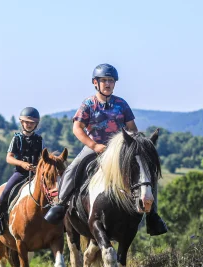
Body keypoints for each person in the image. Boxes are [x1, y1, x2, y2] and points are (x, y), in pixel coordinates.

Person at [44, 63, 138, 224]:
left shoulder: (122, 104)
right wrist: (94, 146)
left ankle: (152, 214)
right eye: (104, 80)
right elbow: (77, 128)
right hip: (94, 148)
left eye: (111, 80)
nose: (108, 84)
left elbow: (132, 129)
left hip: (119, 150)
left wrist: (133, 146)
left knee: (145, 171)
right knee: (71, 170)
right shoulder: (88, 104)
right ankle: (60, 204)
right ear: (96, 83)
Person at [0, 107, 44, 235]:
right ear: (21, 122)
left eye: (32, 122)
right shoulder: (17, 138)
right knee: (5, 193)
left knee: (51, 191)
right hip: (20, 173)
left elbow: (42, 157)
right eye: (26, 122)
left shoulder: (39, 140)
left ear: (36, 124)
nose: (29, 124)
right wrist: (22, 164)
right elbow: (9, 158)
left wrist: (38, 167)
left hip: (36, 174)